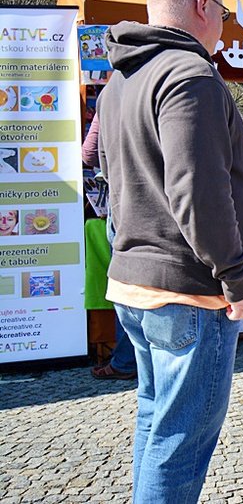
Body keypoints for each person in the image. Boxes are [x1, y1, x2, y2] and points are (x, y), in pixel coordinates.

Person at [98, 0, 243, 503]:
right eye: (222, 12)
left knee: (156, 420)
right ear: (201, 6)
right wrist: (237, 279)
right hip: (189, 289)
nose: (224, 26)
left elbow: (110, 173)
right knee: (180, 439)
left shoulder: (121, 81)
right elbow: (198, 190)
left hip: (135, 280)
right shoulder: (188, 74)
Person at [81, 114, 138, 380]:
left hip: (123, 204)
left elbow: (89, 155)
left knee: (126, 284)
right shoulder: (165, 86)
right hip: (162, 204)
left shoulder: (111, 97)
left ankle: (127, 361)